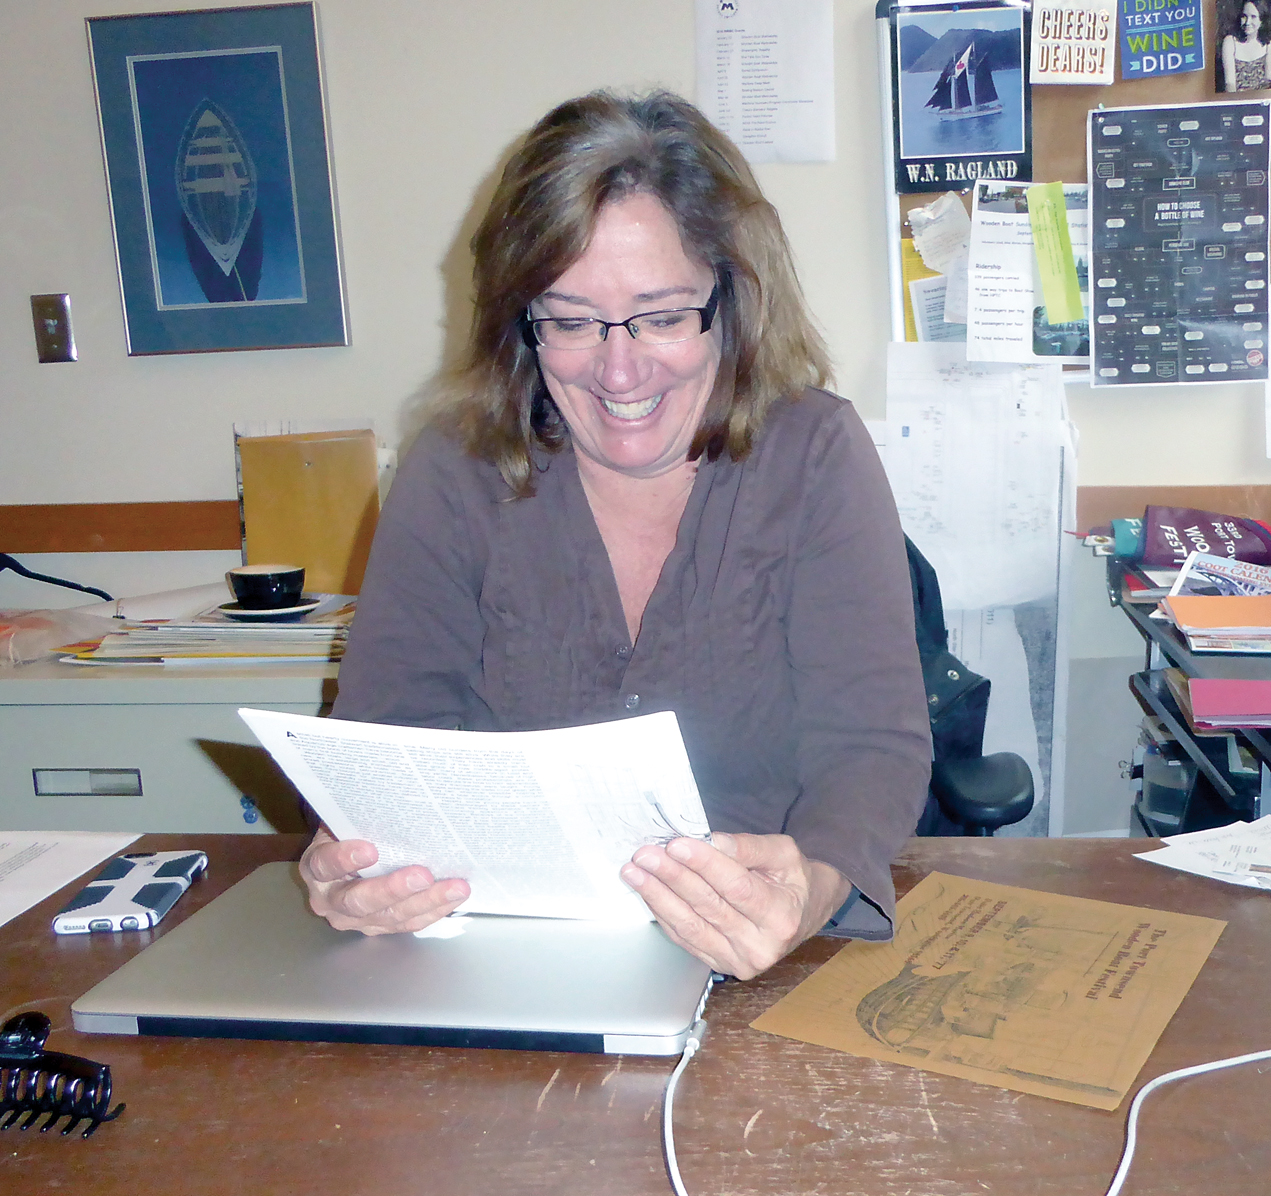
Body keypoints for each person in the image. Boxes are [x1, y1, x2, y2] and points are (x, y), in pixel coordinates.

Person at [299, 91, 931, 980]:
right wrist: (350, 866)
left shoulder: (813, 452)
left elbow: (871, 745)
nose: (619, 366)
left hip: (762, 967)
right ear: (520, 325)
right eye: (569, 320)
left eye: (664, 315)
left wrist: (811, 886)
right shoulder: (453, 469)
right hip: (496, 963)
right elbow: (385, 743)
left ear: (733, 302)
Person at [1221, 0, 1271, 91]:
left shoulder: (1268, 45)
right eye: (1244, 16)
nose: (1247, 22)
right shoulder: (1230, 42)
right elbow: (1230, 84)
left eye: (1253, 17)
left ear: (1262, 20)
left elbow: (1269, 81)